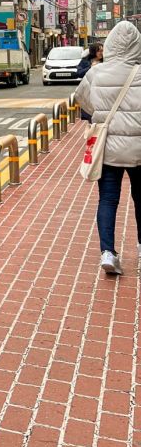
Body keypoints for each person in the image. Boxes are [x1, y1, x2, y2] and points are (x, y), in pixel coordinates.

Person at [75, 21, 141, 275]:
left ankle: (107, 253)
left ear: (111, 44)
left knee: (108, 199)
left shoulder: (96, 72)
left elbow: (84, 102)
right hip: (138, 150)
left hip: (108, 148)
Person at [76, 43, 103, 121]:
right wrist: (90, 67)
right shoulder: (85, 61)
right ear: (93, 51)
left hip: (100, 91)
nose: (101, 53)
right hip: (88, 90)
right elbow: (79, 73)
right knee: (88, 114)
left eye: (102, 51)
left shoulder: (105, 61)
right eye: (99, 51)